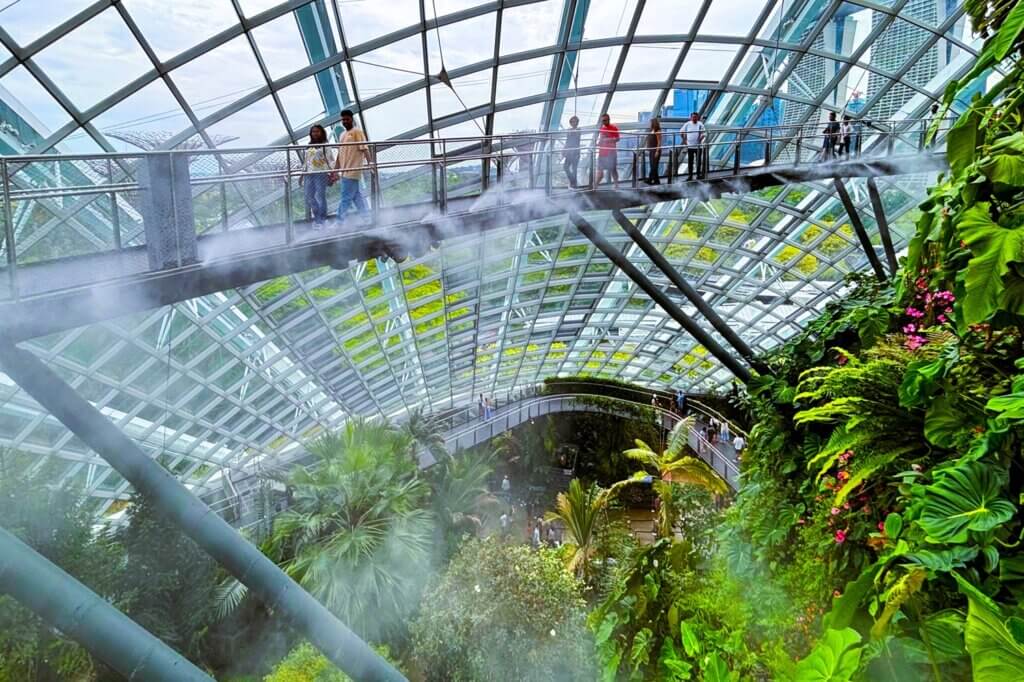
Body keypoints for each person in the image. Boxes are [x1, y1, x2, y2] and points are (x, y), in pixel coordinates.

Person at [333, 109, 372, 226]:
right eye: (343, 119)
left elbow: (364, 148)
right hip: (345, 171)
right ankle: (366, 218)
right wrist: (335, 169)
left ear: (352, 119)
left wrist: (370, 163)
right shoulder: (342, 134)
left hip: (353, 169)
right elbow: (340, 153)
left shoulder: (357, 132)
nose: (345, 121)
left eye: (347, 119)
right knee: (356, 196)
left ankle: (339, 221)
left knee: (345, 197)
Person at [300, 124, 335, 229]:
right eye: (313, 132)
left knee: (320, 197)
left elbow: (331, 160)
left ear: (321, 133)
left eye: (317, 131)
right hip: (309, 174)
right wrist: (302, 175)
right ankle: (318, 218)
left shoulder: (325, 145)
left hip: (321, 173)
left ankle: (321, 221)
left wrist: (332, 174)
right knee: (309, 197)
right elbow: (306, 162)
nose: (315, 133)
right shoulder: (309, 145)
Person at [595, 113, 620, 186]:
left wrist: (607, 139)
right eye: (602, 121)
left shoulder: (614, 128)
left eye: (605, 120)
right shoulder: (602, 128)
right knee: (600, 171)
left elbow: (618, 139)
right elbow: (601, 140)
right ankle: (595, 186)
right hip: (602, 153)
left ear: (609, 120)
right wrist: (597, 144)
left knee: (613, 170)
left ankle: (616, 185)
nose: (603, 122)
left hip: (611, 153)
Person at [680, 112, 706, 180]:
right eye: (693, 117)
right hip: (690, 146)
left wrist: (700, 138)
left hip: (698, 146)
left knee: (698, 161)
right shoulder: (687, 124)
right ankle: (690, 175)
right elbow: (681, 132)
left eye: (695, 117)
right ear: (691, 117)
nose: (694, 118)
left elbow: (704, 133)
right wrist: (684, 141)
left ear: (697, 117)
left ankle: (698, 174)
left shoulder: (700, 124)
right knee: (690, 161)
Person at [563, 115, 581, 189]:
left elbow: (577, 134)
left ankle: (574, 184)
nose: (574, 123)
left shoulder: (579, 129)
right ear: (570, 123)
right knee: (565, 167)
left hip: (575, 152)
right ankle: (573, 181)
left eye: (575, 121)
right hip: (569, 152)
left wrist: (571, 131)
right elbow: (567, 141)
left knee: (574, 168)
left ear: (577, 123)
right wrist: (564, 149)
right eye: (572, 122)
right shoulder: (569, 130)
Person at [644, 117, 663, 185]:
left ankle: (650, 179)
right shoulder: (651, 130)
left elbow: (659, 142)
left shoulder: (658, 131)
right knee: (653, 166)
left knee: (654, 166)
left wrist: (657, 151)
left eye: (651, 122)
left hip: (655, 150)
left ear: (653, 123)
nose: (649, 124)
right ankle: (656, 181)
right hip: (651, 150)